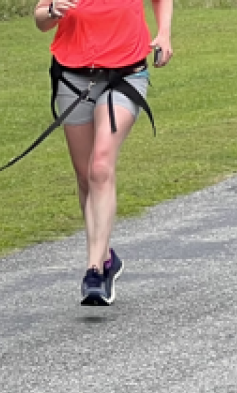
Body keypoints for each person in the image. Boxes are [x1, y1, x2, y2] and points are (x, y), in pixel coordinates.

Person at [34, 0, 172, 306]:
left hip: (126, 75)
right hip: (73, 77)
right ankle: (107, 257)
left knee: (100, 165)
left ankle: (94, 271)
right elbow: (41, 18)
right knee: (86, 176)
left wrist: (164, 33)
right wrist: (53, 10)